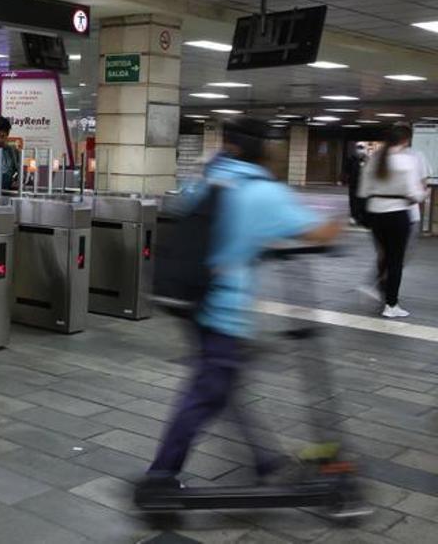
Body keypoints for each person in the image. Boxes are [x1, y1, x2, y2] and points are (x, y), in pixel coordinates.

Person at [136, 119, 343, 501]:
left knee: (224, 384)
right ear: (261, 150)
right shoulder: (261, 191)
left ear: (228, 145)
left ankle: (266, 462)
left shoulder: (209, 178)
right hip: (224, 310)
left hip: (192, 302)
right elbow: (318, 232)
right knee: (208, 391)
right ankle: (160, 475)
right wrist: (337, 221)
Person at [358, 125, 428, 318]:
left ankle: (381, 291)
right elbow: (414, 194)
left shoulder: (375, 159)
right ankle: (391, 305)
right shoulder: (407, 161)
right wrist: (423, 195)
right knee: (395, 260)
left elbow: (363, 190)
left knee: (384, 255)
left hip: (375, 212)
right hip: (398, 214)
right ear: (406, 140)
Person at [342, 142, 368, 225]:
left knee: (363, 202)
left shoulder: (368, 160)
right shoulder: (352, 159)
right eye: (358, 148)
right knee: (353, 202)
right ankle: (354, 217)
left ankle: (362, 218)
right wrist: (345, 179)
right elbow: (347, 170)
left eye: (362, 148)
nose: (360, 150)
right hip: (354, 184)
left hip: (365, 185)